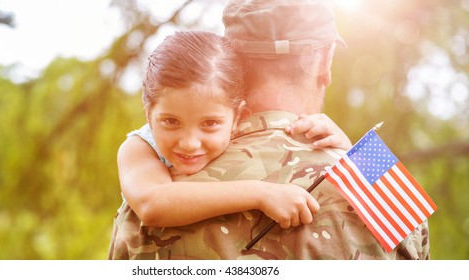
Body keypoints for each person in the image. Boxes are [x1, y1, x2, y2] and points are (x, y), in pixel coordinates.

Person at [108, 0, 430, 260]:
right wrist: (347, 156)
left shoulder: (138, 214)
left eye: (208, 123)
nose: (191, 142)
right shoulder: (384, 182)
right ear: (325, 63)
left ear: (230, 65)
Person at [116, 30, 351, 231]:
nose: (189, 143)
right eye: (170, 121)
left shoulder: (243, 135)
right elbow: (152, 204)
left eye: (209, 124)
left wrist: (345, 149)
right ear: (149, 114)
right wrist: (262, 194)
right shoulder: (139, 148)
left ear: (238, 117)